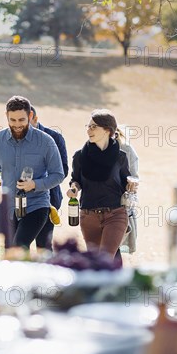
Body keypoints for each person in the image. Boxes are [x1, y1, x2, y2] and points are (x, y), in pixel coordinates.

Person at [0, 96, 64, 248]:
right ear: (6, 116)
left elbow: (58, 174)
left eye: (21, 120)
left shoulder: (46, 141)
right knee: (11, 253)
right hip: (9, 209)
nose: (17, 125)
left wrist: (35, 184)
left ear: (30, 116)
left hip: (37, 205)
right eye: (12, 120)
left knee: (18, 247)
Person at [66, 109, 132, 260]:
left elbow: (125, 182)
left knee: (105, 258)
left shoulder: (121, 157)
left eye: (93, 126)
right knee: (98, 263)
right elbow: (76, 179)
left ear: (107, 130)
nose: (89, 130)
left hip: (115, 214)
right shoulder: (79, 156)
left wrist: (131, 186)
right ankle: (117, 283)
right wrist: (74, 188)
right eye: (88, 126)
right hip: (88, 217)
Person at [30, 105, 68, 251]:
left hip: (49, 199)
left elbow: (62, 170)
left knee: (44, 245)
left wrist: (36, 182)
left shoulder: (55, 138)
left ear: (35, 119)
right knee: (18, 245)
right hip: (20, 199)